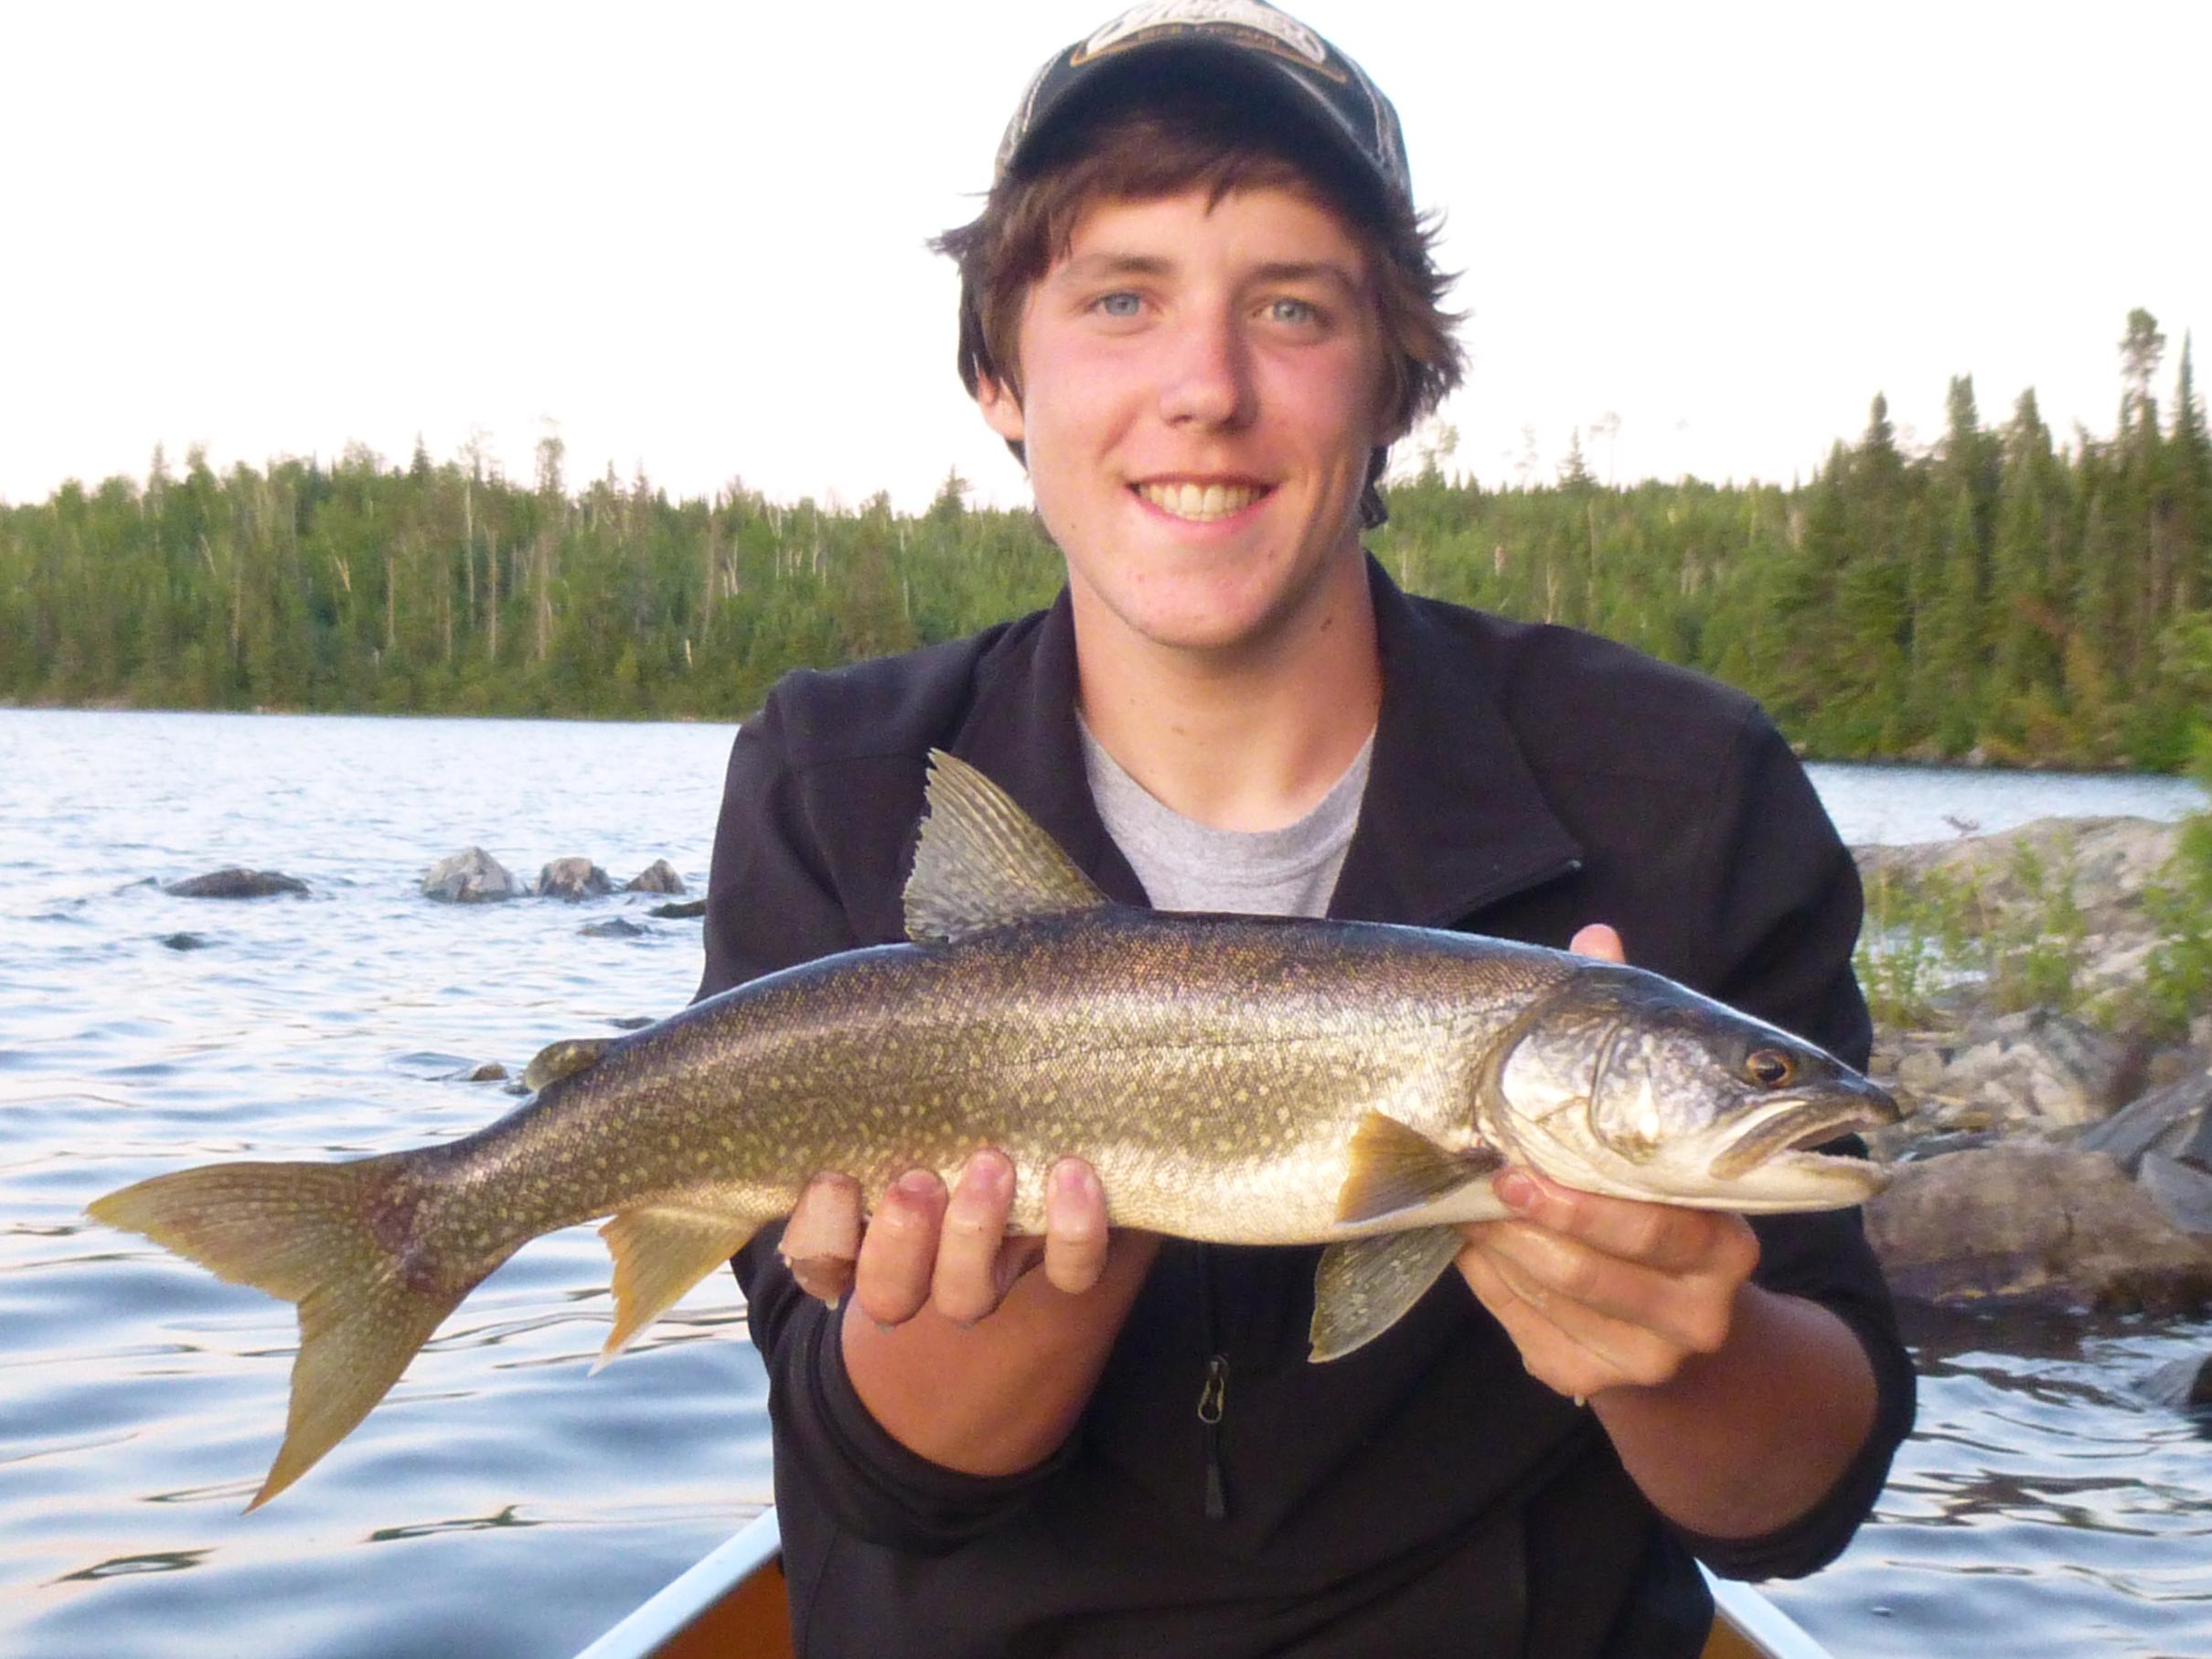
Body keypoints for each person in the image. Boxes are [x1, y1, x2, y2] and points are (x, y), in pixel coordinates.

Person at [695, 4, 1916, 1653]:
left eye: (1291, 306)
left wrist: (1682, 1344)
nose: (1206, 389)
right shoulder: (839, 774)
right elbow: (874, 1477)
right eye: (1121, 299)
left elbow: (1798, 1501)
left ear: (1396, 381)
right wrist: (1016, 1285)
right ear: (998, 376)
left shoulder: (1684, 785)